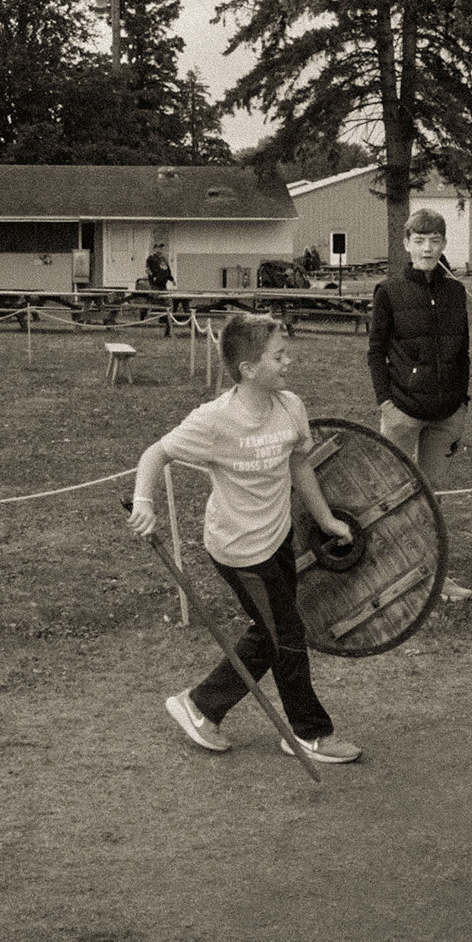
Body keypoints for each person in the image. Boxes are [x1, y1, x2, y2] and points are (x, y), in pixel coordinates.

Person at [129, 314, 361, 764]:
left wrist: (326, 519)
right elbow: (156, 453)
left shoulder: (290, 406)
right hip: (239, 550)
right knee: (286, 634)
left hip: (277, 537)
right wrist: (144, 502)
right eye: (279, 356)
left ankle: (201, 706)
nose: (289, 362)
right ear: (248, 369)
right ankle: (309, 733)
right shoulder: (215, 420)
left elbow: (298, 463)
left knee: (271, 632)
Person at [369, 208, 472, 601]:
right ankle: (384, 576)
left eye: (434, 241)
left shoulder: (455, 292)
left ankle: (434, 577)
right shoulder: (389, 292)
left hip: (446, 414)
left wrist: (461, 401)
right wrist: (386, 403)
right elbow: (375, 352)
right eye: (419, 241)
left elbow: (461, 351)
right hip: (402, 410)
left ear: (444, 244)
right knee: (390, 497)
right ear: (406, 244)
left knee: (433, 498)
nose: (427, 248)